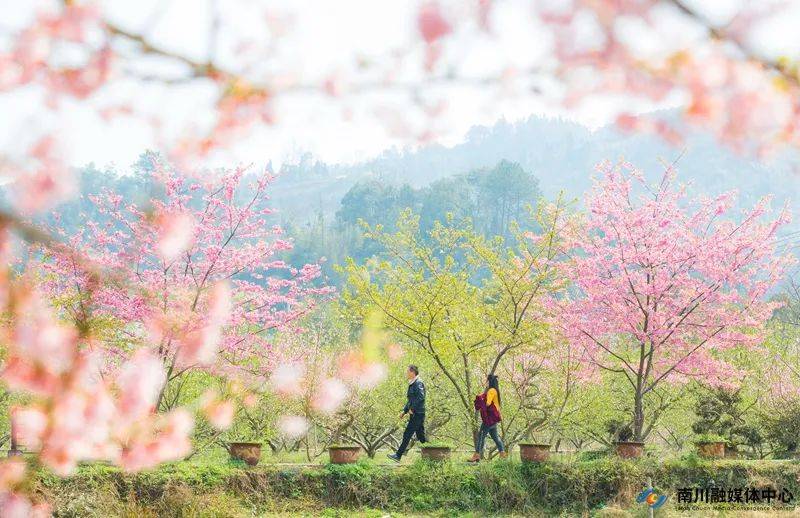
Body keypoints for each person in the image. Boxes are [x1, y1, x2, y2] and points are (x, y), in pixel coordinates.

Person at [387, 365, 426, 461]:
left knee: (407, 433)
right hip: (416, 413)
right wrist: (404, 412)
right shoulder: (413, 383)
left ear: (412, 372)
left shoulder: (418, 383)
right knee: (421, 436)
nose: (406, 373)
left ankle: (398, 455)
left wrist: (412, 408)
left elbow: (421, 397)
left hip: (417, 413)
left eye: (407, 372)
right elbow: (410, 400)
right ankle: (432, 452)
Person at [469, 373, 506, 462]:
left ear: (490, 382)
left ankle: (476, 455)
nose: (487, 383)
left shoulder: (491, 391)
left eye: (487, 382)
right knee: (495, 437)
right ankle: (502, 453)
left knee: (481, 435)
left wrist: (481, 400)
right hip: (494, 419)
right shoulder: (495, 391)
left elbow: (488, 403)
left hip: (489, 418)